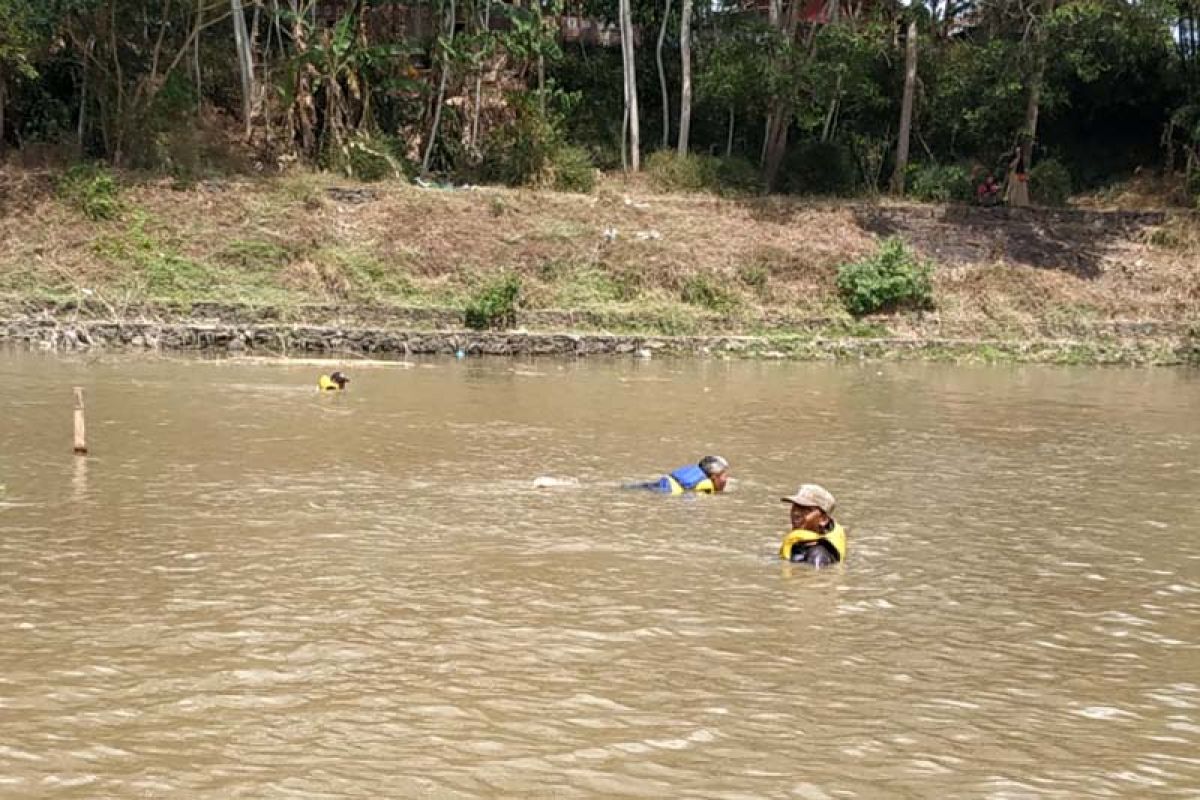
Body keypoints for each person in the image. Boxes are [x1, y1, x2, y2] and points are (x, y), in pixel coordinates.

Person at [779, 483, 846, 568]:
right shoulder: (800, 545)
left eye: (806, 510)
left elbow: (815, 579)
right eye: (795, 507)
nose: (796, 513)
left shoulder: (818, 555)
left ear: (823, 520)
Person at [630, 455, 730, 495]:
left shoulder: (694, 471)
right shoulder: (705, 488)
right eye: (724, 475)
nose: (726, 478)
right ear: (714, 476)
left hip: (658, 484)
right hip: (664, 491)